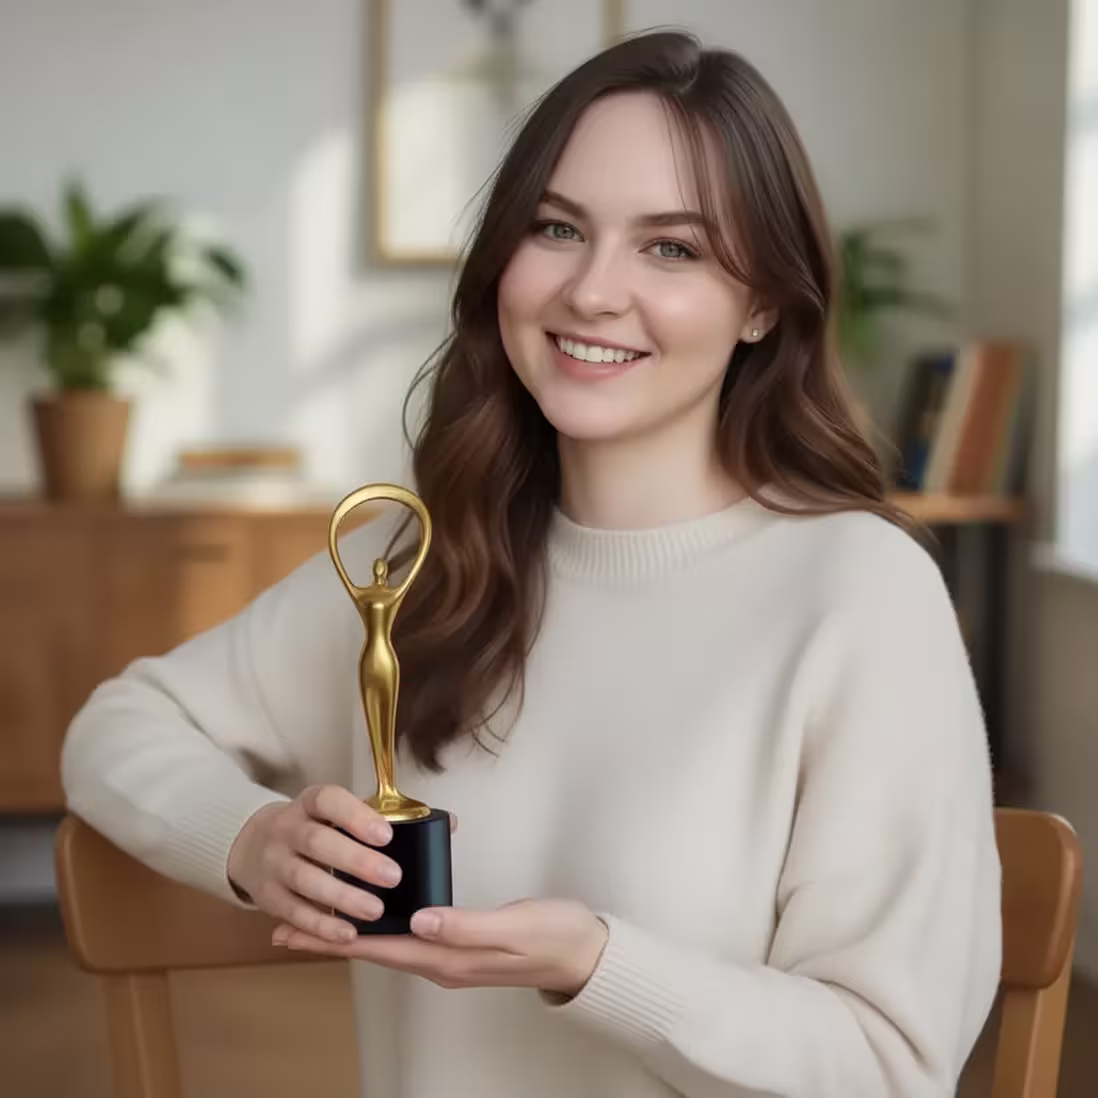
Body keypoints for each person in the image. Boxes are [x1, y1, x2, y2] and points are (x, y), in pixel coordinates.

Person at [61, 28, 1001, 1098]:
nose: (592, 293)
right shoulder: (415, 566)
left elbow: (889, 1066)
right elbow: (116, 730)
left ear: (764, 305)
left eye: (673, 248)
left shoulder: (860, 595)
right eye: (558, 227)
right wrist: (252, 839)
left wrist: (599, 967)